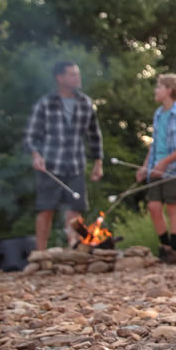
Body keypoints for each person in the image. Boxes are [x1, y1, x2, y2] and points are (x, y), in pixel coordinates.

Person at [24, 61, 104, 250]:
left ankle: (74, 249)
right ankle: (41, 253)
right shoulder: (45, 103)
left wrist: (98, 162)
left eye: (78, 74)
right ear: (59, 78)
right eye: (72, 74)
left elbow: (94, 134)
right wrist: (36, 155)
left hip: (76, 165)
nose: (77, 77)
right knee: (46, 210)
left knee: (75, 211)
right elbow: (31, 136)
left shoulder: (85, 102)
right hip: (50, 165)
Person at [137, 73, 176, 262]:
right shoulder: (158, 114)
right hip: (156, 168)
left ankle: (173, 251)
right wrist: (145, 166)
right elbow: (154, 144)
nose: (156, 90)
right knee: (154, 207)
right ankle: (165, 245)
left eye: (159, 87)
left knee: (172, 208)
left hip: (174, 170)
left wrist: (165, 162)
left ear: (169, 90)